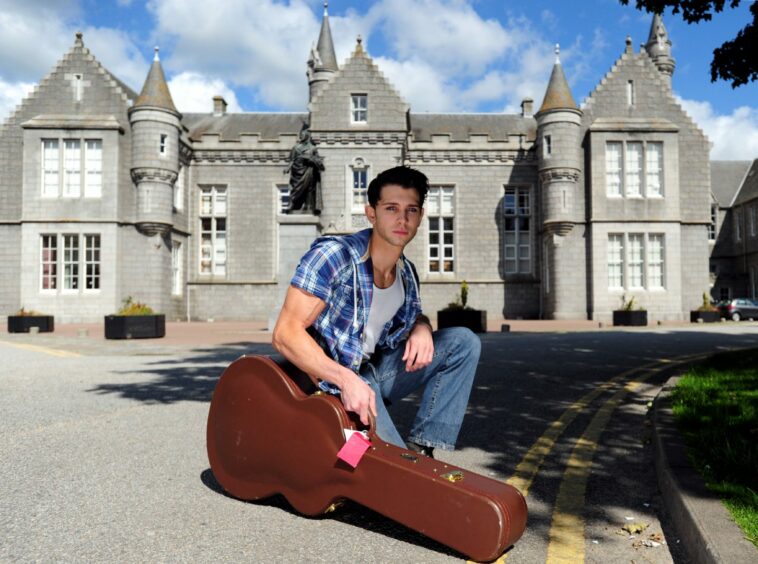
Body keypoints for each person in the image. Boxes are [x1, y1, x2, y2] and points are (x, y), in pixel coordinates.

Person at [272, 166, 480, 458]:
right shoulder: (335, 256)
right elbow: (285, 333)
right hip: (330, 381)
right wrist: (346, 380)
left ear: (420, 217)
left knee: (463, 342)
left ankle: (422, 446)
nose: (402, 219)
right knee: (391, 478)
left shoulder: (406, 273)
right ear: (372, 213)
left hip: (373, 373)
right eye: (391, 208)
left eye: (411, 210)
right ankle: (367, 455)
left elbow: (412, 317)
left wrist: (421, 327)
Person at [284, 125, 324, 214]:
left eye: (302, 134)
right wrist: (287, 168)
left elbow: (320, 164)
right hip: (296, 171)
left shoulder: (313, 148)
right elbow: (291, 160)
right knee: (295, 188)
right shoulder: (295, 148)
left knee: (308, 190)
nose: (301, 136)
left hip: (308, 170)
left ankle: (308, 206)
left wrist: (312, 160)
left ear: (307, 135)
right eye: (300, 134)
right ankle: (291, 203)